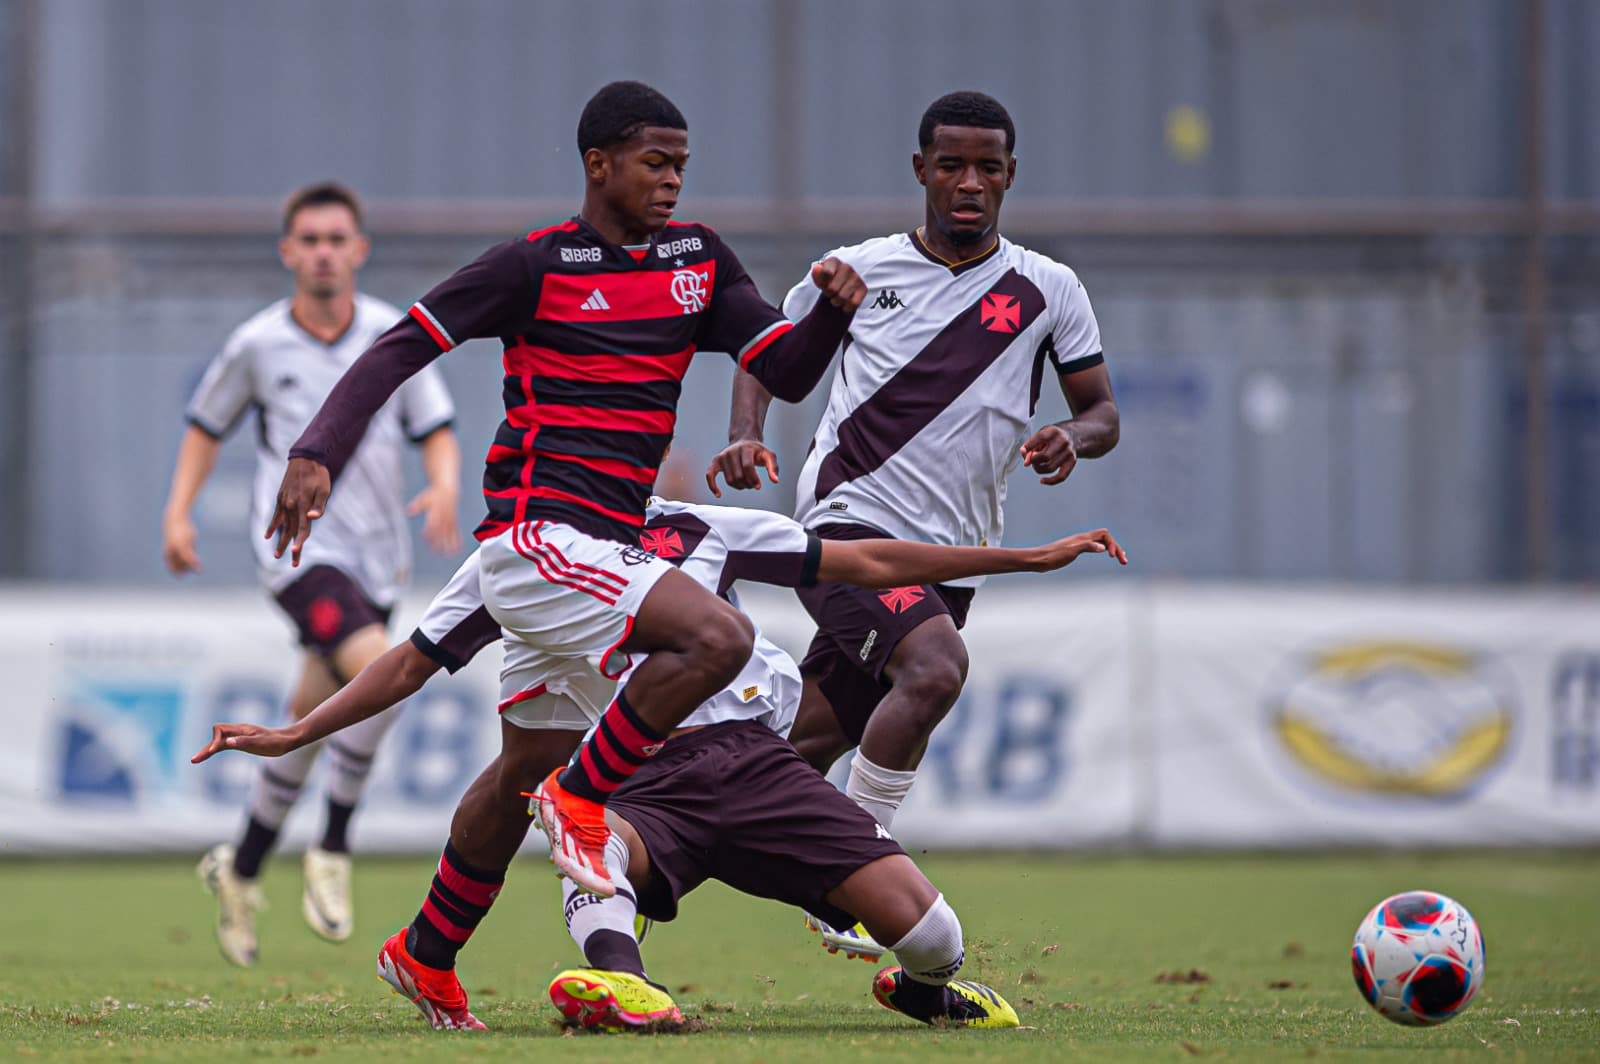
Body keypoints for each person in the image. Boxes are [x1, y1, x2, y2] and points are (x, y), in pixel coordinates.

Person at [192, 497, 1126, 1029]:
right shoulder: (513, 559)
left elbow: (867, 559)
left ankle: (917, 988)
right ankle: (619, 978)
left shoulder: (699, 525)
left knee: (935, 937)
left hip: (758, 765)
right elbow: (406, 661)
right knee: (570, 813)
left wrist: (1025, 557)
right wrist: (291, 733)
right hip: (633, 773)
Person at [262, 81, 867, 902]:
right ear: (598, 164)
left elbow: (786, 373)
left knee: (526, 760)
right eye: (655, 163)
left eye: (681, 166)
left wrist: (831, 317)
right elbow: (401, 345)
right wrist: (316, 449)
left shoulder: (698, 260)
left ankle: (427, 954)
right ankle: (581, 803)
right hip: (542, 533)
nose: (672, 181)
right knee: (716, 639)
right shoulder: (533, 264)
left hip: (607, 546)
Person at [705, 92, 1120, 955]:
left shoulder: (1049, 289)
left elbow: (1103, 412)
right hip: (847, 525)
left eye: (988, 168)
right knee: (933, 669)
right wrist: (745, 436)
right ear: (920, 170)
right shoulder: (860, 270)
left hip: (948, 557)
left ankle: (648, 835)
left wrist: (1071, 438)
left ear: (1010, 176)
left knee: (802, 741)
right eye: (952, 165)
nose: (970, 183)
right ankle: (853, 872)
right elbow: (766, 353)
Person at [161, 182, 462, 966]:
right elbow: (205, 426)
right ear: (289, 252)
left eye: (338, 239)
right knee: (386, 674)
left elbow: (435, 427)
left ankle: (243, 865)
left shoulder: (390, 334)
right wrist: (179, 514)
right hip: (297, 554)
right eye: (310, 239)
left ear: (358, 250)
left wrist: (445, 486)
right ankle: (333, 842)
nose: (324, 252)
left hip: (377, 560)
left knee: (310, 711)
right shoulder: (259, 344)